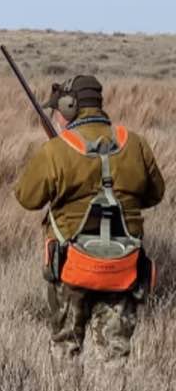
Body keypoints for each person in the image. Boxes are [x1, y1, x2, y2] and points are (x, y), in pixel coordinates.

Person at [14, 75, 165, 360]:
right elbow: (156, 194)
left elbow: (27, 198)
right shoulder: (136, 144)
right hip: (123, 266)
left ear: (71, 107)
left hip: (72, 266)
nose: (56, 117)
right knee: (115, 353)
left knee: (65, 349)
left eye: (58, 110)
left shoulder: (57, 150)